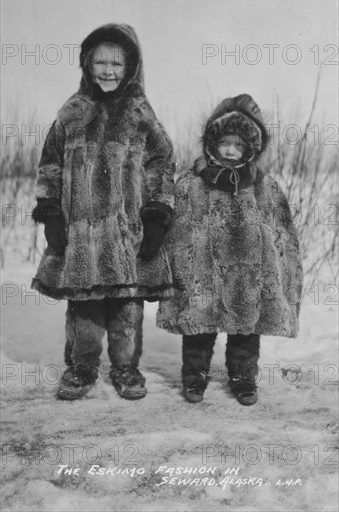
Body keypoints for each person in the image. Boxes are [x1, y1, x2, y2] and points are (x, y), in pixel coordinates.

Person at [32, 24, 175, 401]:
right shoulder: (72, 112)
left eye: (117, 62)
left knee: (127, 305)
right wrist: (50, 215)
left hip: (126, 233)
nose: (108, 70)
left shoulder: (140, 112)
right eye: (100, 62)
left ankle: (126, 369)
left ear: (130, 66)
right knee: (85, 306)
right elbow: (50, 166)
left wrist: (157, 215)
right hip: (81, 234)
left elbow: (161, 163)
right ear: (86, 64)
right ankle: (82, 367)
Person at [157, 94, 303, 406]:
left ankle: (243, 378)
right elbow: (176, 228)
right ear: (212, 141)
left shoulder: (264, 185)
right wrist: (178, 264)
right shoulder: (191, 183)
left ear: (252, 147)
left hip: (247, 279)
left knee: (246, 331)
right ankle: (194, 378)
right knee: (198, 328)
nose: (231, 150)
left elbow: (282, 234)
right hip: (203, 274)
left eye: (239, 145)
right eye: (225, 142)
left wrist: (278, 276)